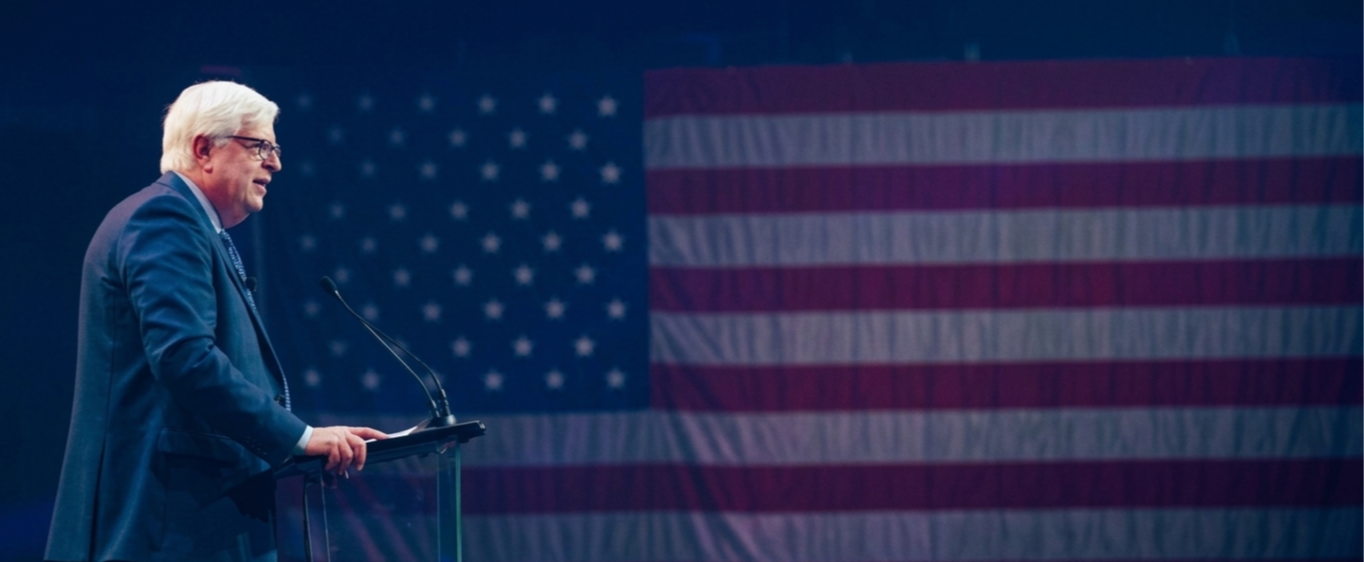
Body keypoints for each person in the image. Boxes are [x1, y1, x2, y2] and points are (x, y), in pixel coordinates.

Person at [46, 81, 386, 562]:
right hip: (165, 522)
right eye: (260, 146)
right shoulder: (164, 217)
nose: (275, 163)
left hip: (196, 519)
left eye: (275, 149)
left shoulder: (187, 223)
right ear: (204, 149)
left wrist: (298, 442)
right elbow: (185, 357)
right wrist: (301, 437)